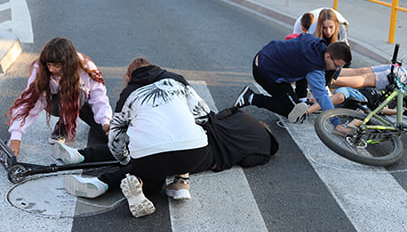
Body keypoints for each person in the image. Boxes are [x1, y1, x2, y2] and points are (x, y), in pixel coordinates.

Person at [61, 58, 279, 218]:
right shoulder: (178, 81)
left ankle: (80, 156)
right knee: (155, 175)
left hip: (168, 149)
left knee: (141, 153)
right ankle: (112, 183)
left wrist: (126, 158)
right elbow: (203, 115)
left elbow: (116, 138)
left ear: (129, 77)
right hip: (196, 152)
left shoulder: (129, 94)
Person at [6, 37, 112, 158]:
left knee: (108, 135)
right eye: (49, 65)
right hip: (55, 103)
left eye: (56, 66)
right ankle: (63, 125)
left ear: (68, 63)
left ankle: (83, 119)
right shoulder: (40, 70)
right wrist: (16, 138)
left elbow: (99, 98)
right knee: (74, 94)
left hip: (82, 102)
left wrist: (105, 121)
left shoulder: (86, 67)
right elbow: (28, 103)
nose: (51, 69)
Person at [232, 34, 352, 127]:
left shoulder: (316, 43)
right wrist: (337, 123)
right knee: (295, 113)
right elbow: (322, 97)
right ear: (327, 56)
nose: (337, 69)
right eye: (337, 65)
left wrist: (302, 99)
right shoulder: (314, 69)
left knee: (299, 101)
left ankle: (299, 99)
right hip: (265, 72)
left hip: (265, 55)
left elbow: (294, 40)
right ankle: (251, 97)